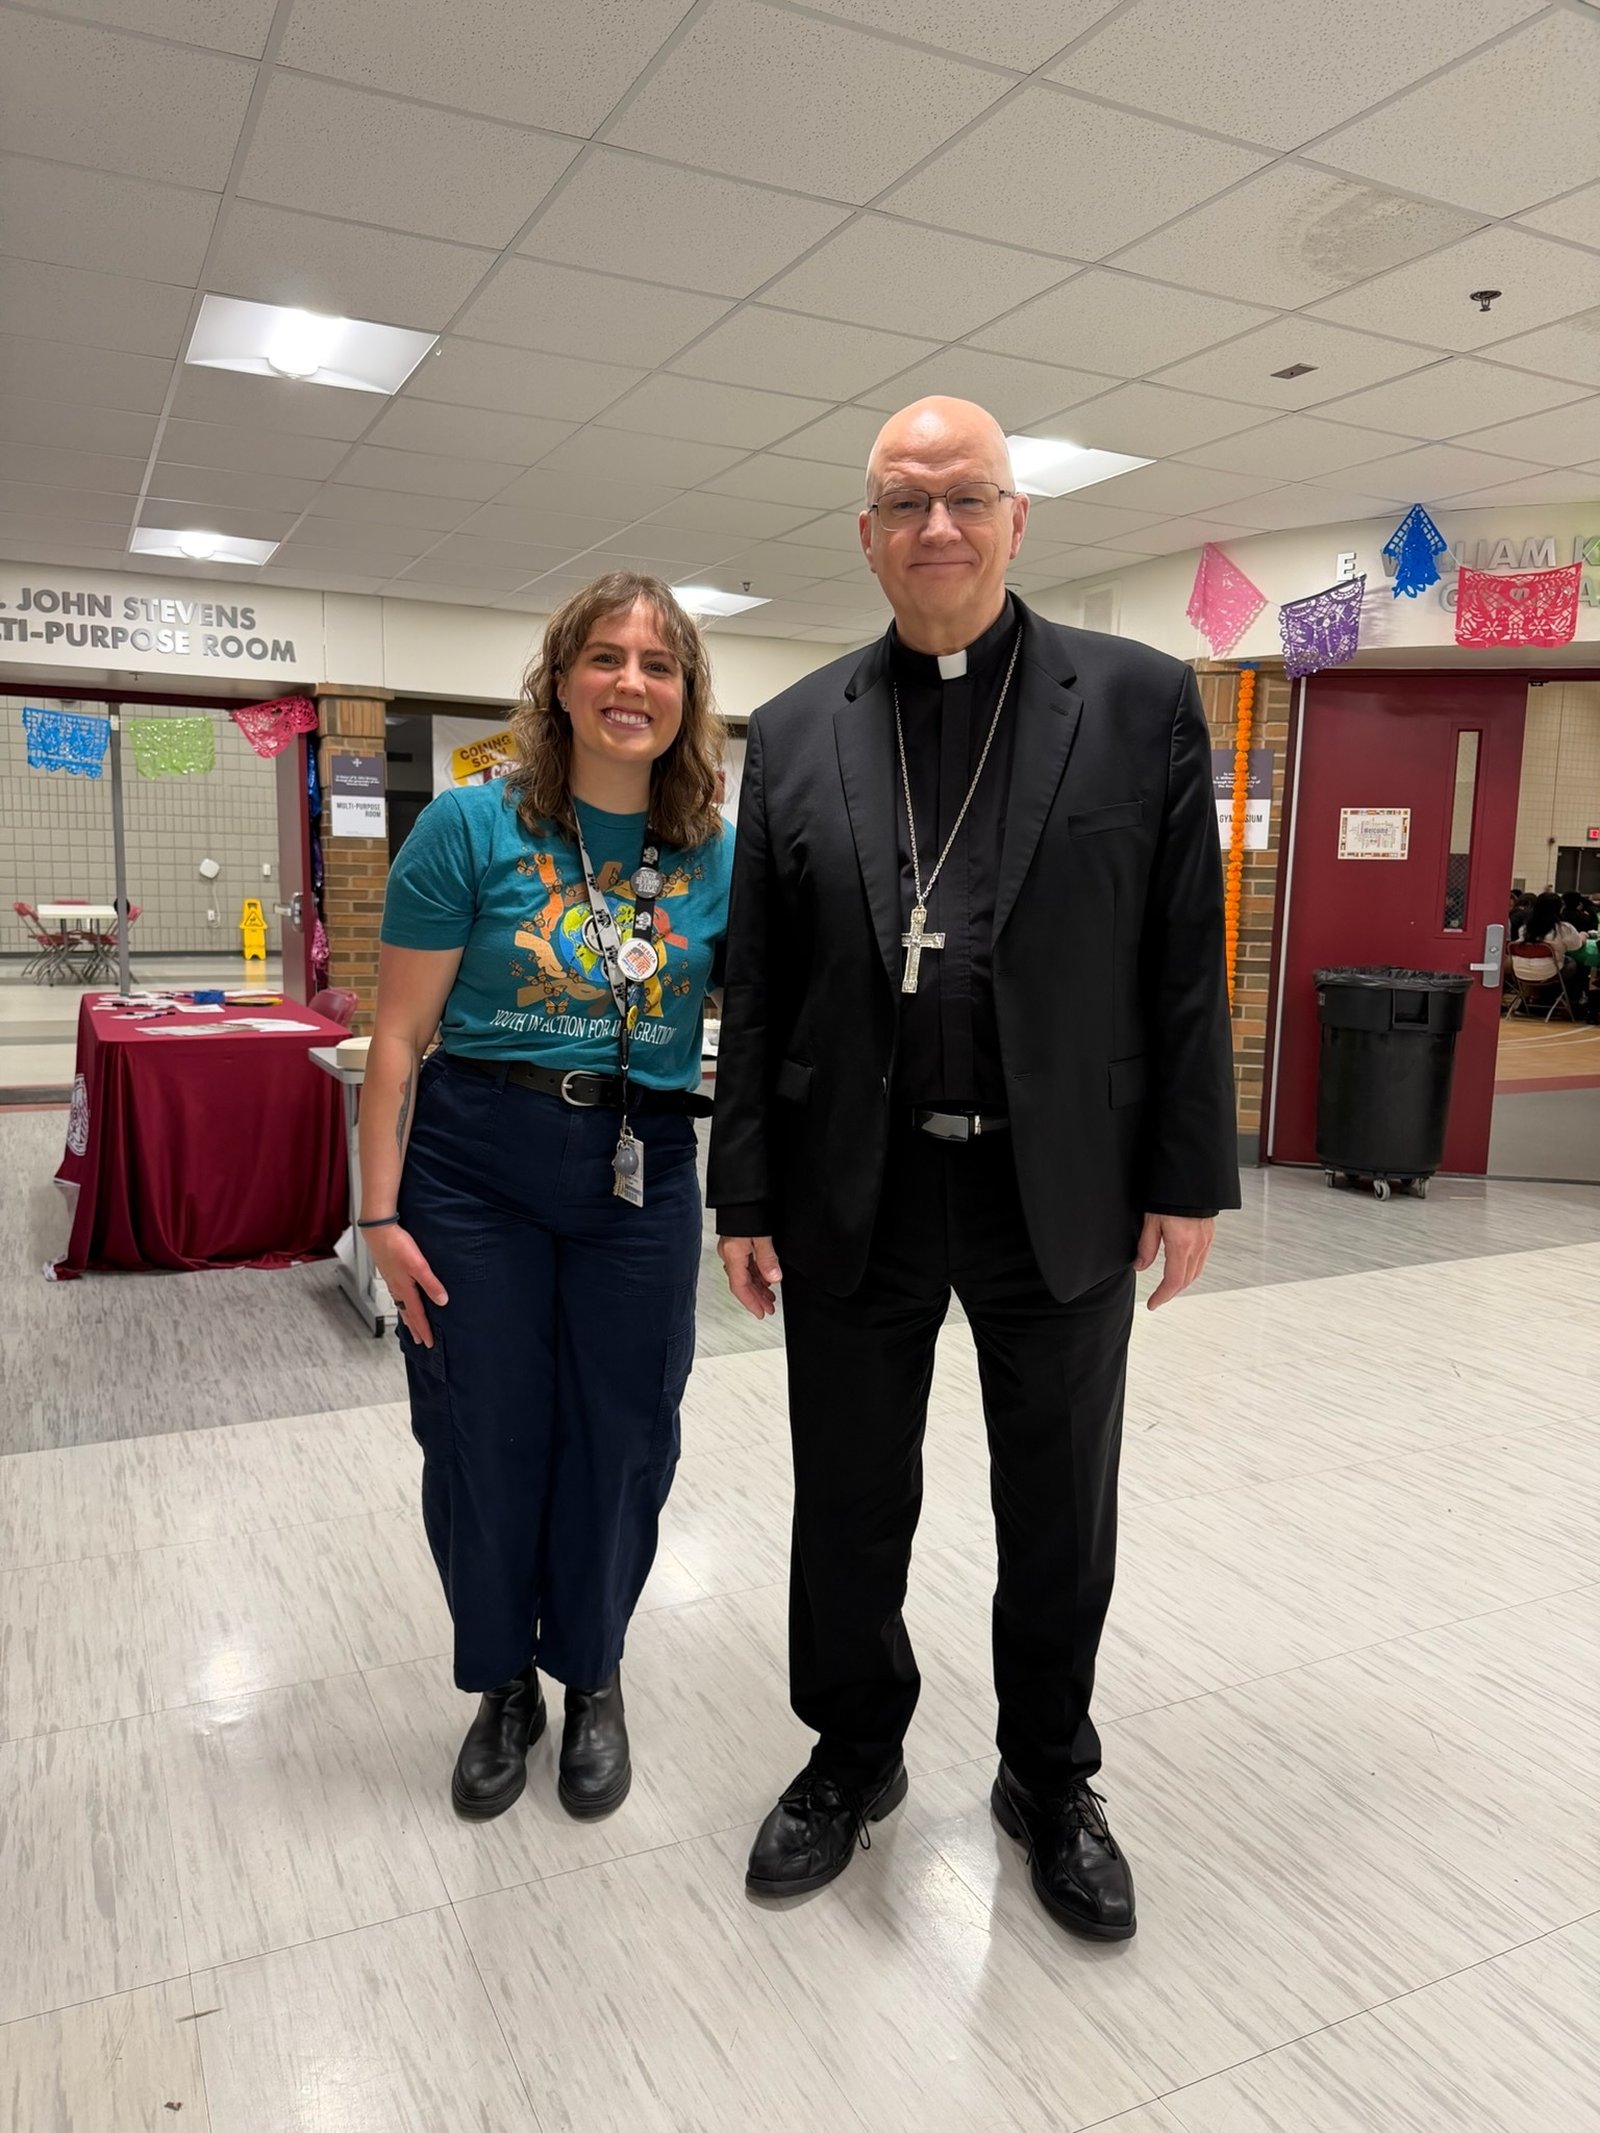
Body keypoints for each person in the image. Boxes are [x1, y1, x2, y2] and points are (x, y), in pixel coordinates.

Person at [709, 397, 1238, 1940]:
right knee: (848, 1496)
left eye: (966, 497)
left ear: (1018, 520)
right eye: (905, 501)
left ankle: (1049, 1775)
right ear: (867, 534)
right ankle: (852, 1752)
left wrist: (1188, 1172)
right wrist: (744, 1193)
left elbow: (1183, 960)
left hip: (1057, 1182)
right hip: (853, 1186)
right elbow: (757, 986)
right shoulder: (794, 731)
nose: (936, 526)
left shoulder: (1140, 702)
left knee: (1061, 1506)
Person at [361, 572, 731, 1822]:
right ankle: (503, 1683)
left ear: (685, 697)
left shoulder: (714, 853)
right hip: (476, 1168)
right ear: (560, 681)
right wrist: (377, 1217)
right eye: (606, 658)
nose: (632, 682)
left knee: (625, 1435)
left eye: (659, 664)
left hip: (642, 1165)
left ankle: (595, 1672)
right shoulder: (470, 827)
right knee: (484, 1432)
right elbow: (397, 1039)